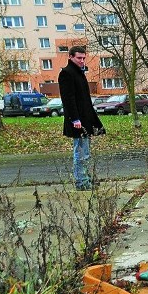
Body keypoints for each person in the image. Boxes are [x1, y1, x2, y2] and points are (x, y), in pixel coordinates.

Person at [59, 46, 105, 191]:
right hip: (77, 121)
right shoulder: (66, 73)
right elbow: (68, 99)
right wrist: (75, 119)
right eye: (79, 58)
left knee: (85, 153)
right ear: (70, 57)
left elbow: (84, 99)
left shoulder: (79, 73)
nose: (82, 60)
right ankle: (81, 182)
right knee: (80, 153)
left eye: (84, 58)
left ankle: (85, 178)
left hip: (84, 120)